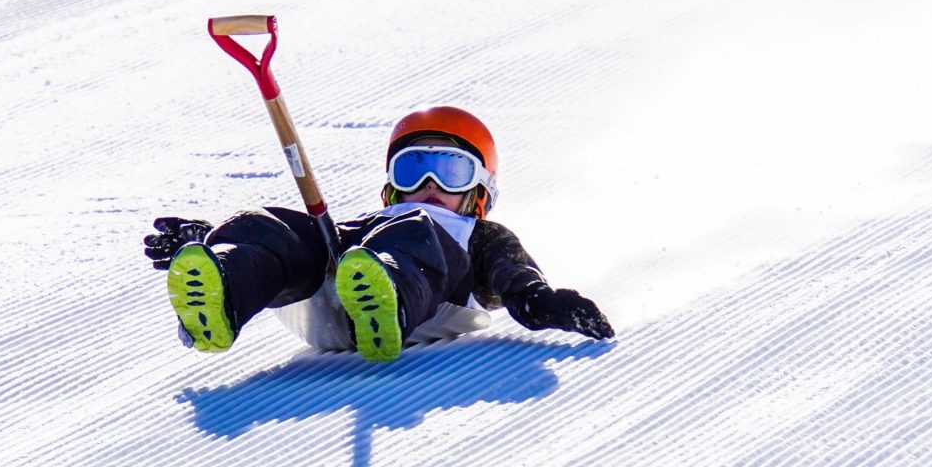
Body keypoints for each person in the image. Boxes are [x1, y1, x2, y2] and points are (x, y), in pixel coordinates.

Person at [143, 105, 614, 362]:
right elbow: (314, 248)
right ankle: (227, 284)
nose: (429, 186)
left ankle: (386, 291)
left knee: (414, 233)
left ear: (480, 190)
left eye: (449, 171)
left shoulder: (478, 236)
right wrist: (210, 240)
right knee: (284, 228)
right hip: (340, 290)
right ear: (391, 184)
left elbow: (515, 277)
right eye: (413, 169)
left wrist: (542, 302)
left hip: (426, 304)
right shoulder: (377, 224)